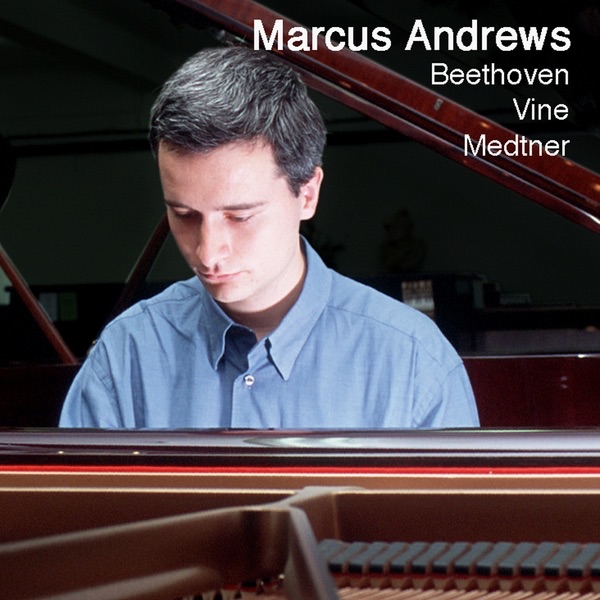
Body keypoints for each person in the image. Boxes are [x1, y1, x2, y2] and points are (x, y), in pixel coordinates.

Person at [59, 46, 479, 429]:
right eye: (184, 215)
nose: (208, 252)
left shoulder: (414, 362)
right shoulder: (125, 354)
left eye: (240, 216)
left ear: (307, 194)